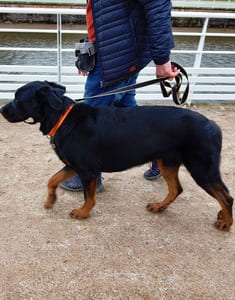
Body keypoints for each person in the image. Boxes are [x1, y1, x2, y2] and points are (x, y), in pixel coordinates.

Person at [60, 0, 179, 192]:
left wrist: (162, 58)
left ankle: (89, 176)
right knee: (129, 112)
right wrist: (86, 50)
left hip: (116, 59)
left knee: (89, 121)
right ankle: (161, 155)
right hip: (117, 55)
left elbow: (157, 5)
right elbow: (105, 14)